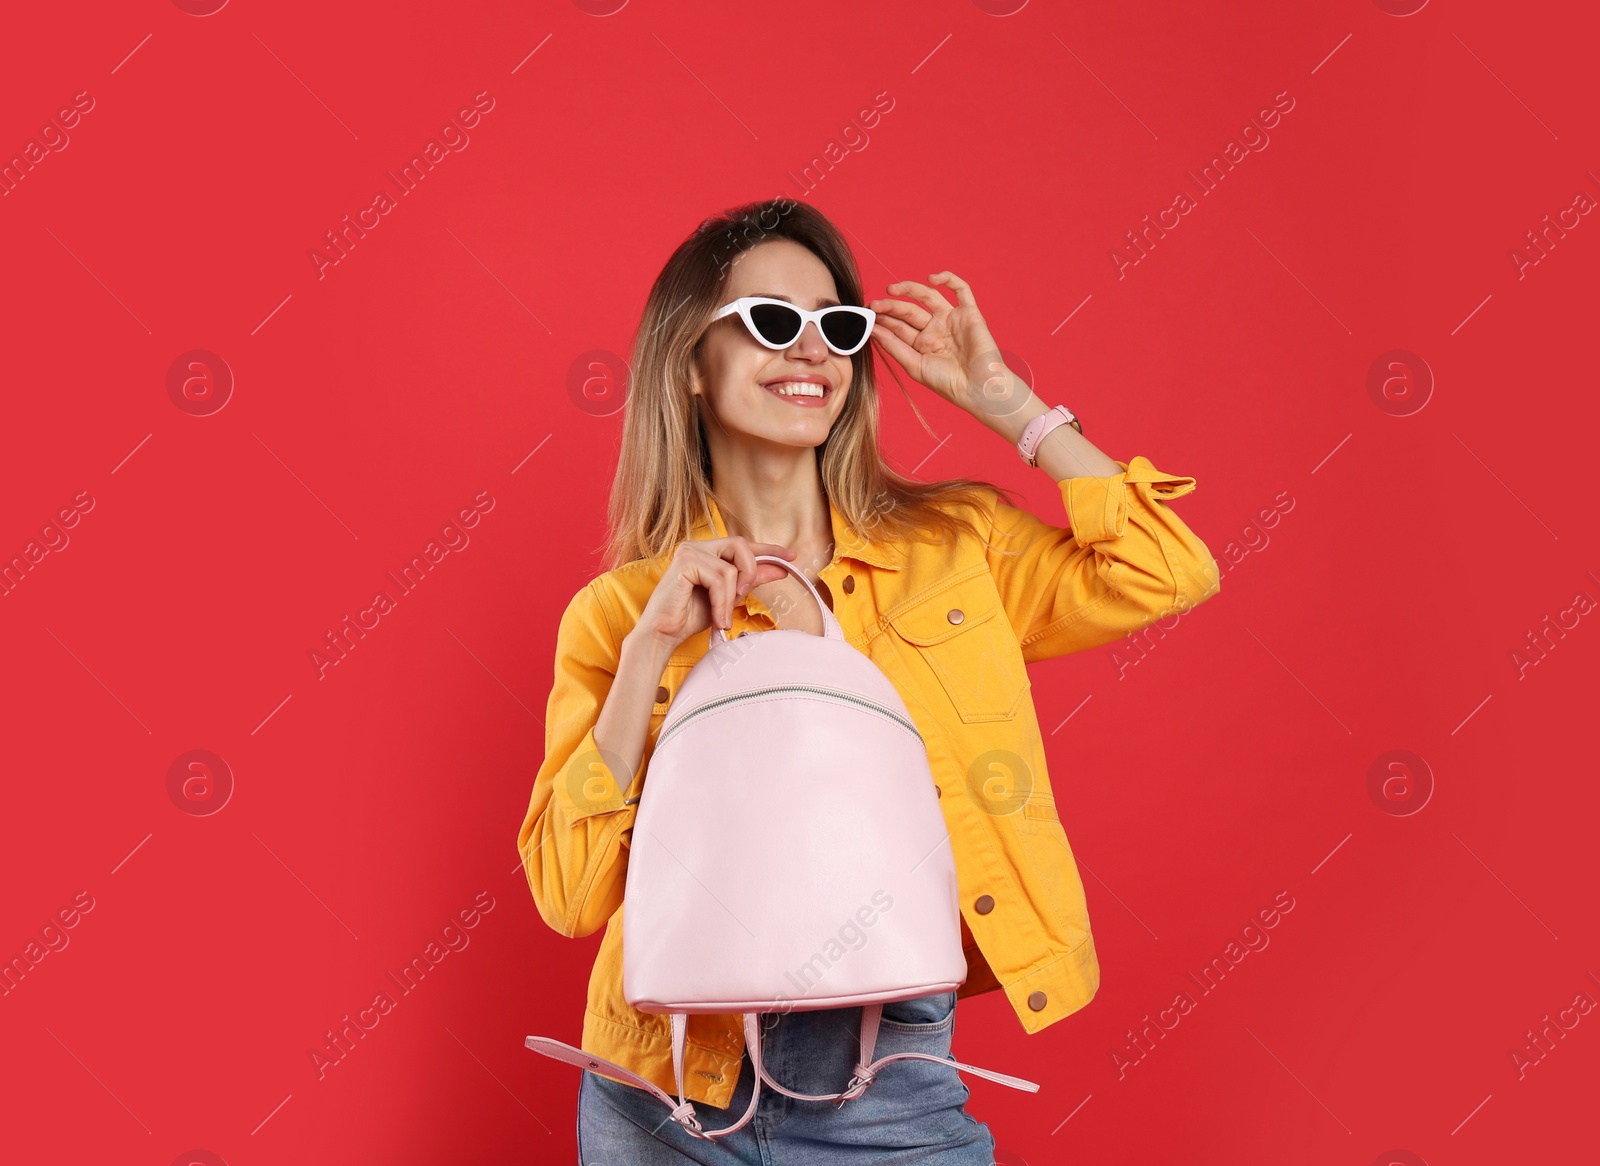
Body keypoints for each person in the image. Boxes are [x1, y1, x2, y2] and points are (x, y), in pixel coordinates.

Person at [516, 197, 1222, 1162]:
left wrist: (1008, 403)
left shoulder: (955, 546)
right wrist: (648, 652)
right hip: (664, 1092)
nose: (812, 350)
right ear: (689, 363)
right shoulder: (621, 612)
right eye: (772, 321)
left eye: (838, 328)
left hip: (885, 1080)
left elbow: (1166, 569)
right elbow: (568, 893)